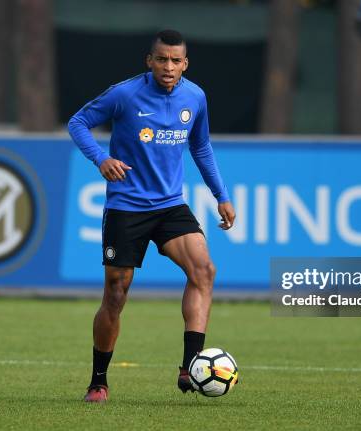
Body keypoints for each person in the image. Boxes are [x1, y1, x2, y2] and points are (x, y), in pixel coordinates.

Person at [68, 29, 235, 403]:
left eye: (176, 61)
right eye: (162, 59)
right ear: (150, 61)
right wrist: (102, 159)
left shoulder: (195, 96)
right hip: (126, 206)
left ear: (185, 64)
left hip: (170, 205)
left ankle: (190, 366)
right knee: (115, 293)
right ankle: (98, 381)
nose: (169, 66)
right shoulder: (124, 94)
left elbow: (201, 146)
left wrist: (220, 195)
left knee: (203, 270)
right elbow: (77, 123)